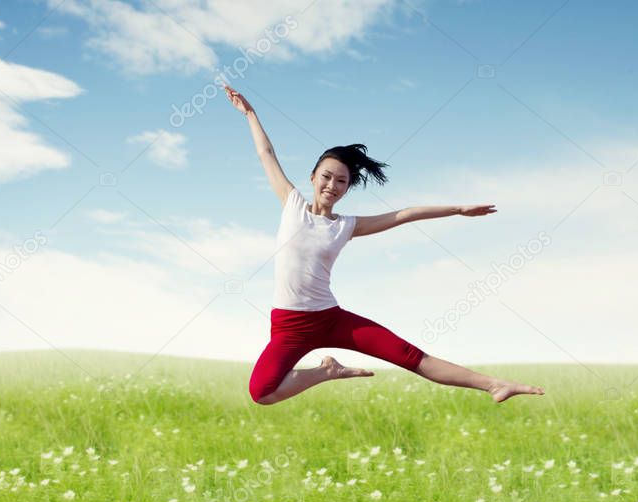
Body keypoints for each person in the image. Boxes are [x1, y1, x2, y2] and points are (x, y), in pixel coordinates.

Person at [225, 84, 545, 405]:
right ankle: (327, 371)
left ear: (347, 189)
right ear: (312, 177)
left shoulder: (347, 226)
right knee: (262, 393)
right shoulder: (292, 204)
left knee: (410, 356)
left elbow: (404, 214)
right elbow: (266, 153)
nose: (332, 185)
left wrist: (458, 209)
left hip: (331, 319)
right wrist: (250, 113)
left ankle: (493, 384)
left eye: (341, 181)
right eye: (326, 176)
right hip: (288, 325)